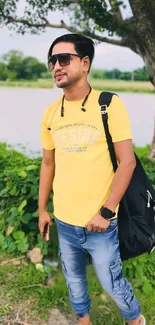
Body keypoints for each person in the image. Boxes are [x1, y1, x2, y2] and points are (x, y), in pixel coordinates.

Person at [38, 33, 146, 325]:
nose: (56, 66)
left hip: (101, 222)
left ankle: (135, 319)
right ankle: (83, 319)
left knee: (112, 282)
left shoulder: (108, 104)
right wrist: (43, 209)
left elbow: (127, 162)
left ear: (85, 63)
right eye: (52, 61)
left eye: (64, 59)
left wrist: (106, 211)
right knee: (73, 278)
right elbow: (48, 164)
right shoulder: (50, 113)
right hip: (65, 220)